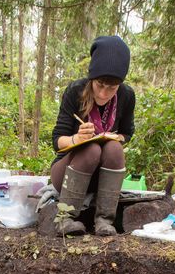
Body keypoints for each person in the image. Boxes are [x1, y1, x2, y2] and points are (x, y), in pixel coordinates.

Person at [51, 35, 135, 236]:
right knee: (91, 148)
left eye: (112, 88)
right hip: (68, 172)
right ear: (91, 78)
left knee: (114, 148)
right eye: (100, 85)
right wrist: (76, 139)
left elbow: (127, 133)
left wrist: (115, 137)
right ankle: (65, 219)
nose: (104, 94)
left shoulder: (126, 95)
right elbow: (57, 140)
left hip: (102, 178)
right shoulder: (75, 91)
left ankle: (104, 221)